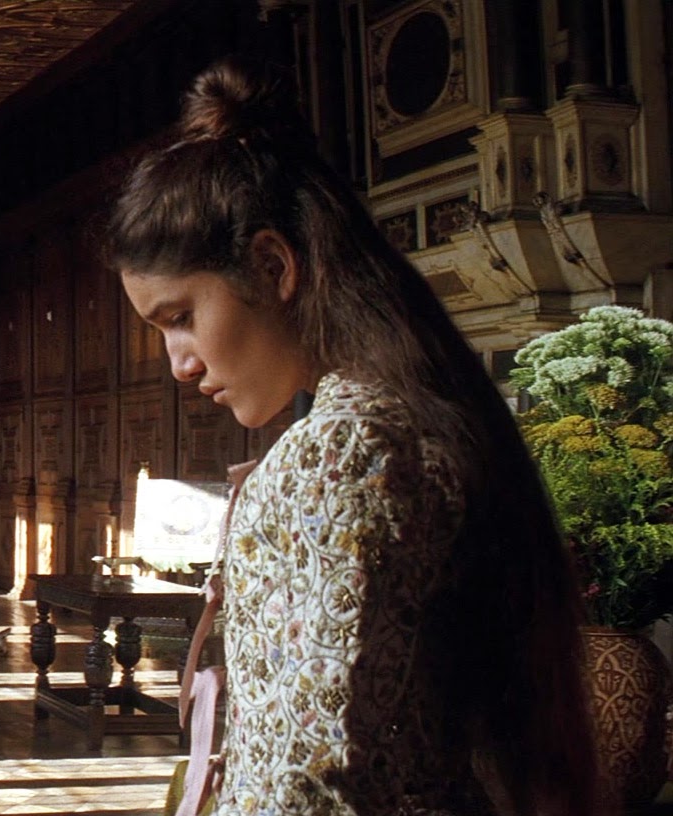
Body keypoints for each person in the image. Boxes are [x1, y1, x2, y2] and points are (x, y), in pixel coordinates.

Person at [106, 56, 603, 816]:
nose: (179, 363)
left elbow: (303, 786)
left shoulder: (340, 455)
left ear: (272, 265)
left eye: (180, 317)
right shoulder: (420, 419)